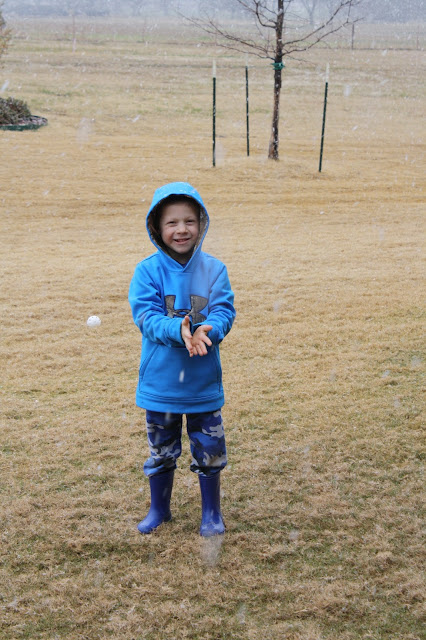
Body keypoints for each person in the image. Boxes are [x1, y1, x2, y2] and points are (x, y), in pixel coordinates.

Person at [129, 182, 235, 537]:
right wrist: (179, 330)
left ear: (201, 223)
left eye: (189, 221)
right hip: (161, 385)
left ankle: (211, 513)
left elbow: (224, 311)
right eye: (172, 222)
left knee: (210, 451)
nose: (181, 229)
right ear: (157, 228)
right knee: (161, 452)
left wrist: (208, 331)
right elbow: (146, 317)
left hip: (202, 384)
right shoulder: (147, 271)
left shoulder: (215, 269)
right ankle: (159, 509)